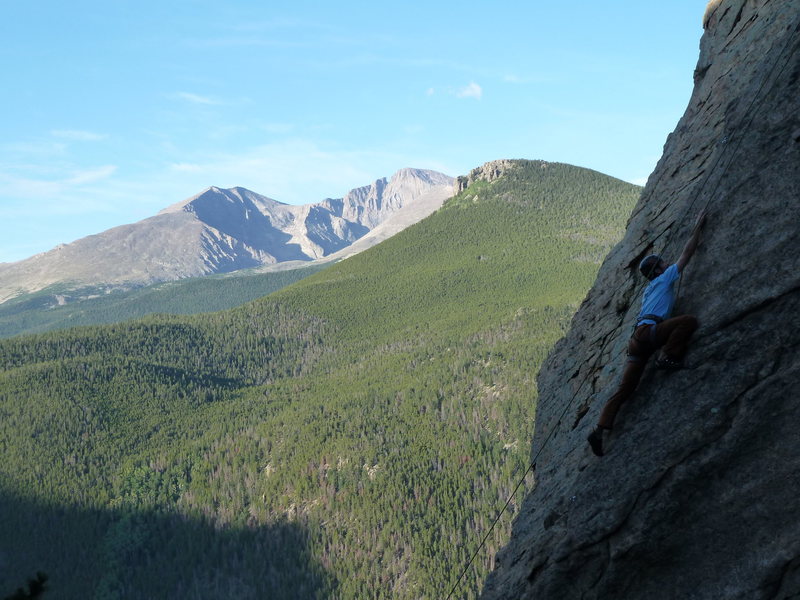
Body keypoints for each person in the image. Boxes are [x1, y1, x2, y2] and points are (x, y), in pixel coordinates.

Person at [587, 210, 708, 457]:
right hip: (651, 334)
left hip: (637, 340)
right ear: (658, 269)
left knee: (625, 389)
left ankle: (600, 429)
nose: (666, 264)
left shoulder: (648, 290)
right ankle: (669, 357)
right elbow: (687, 253)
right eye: (662, 263)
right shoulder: (664, 279)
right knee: (688, 321)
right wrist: (698, 227)